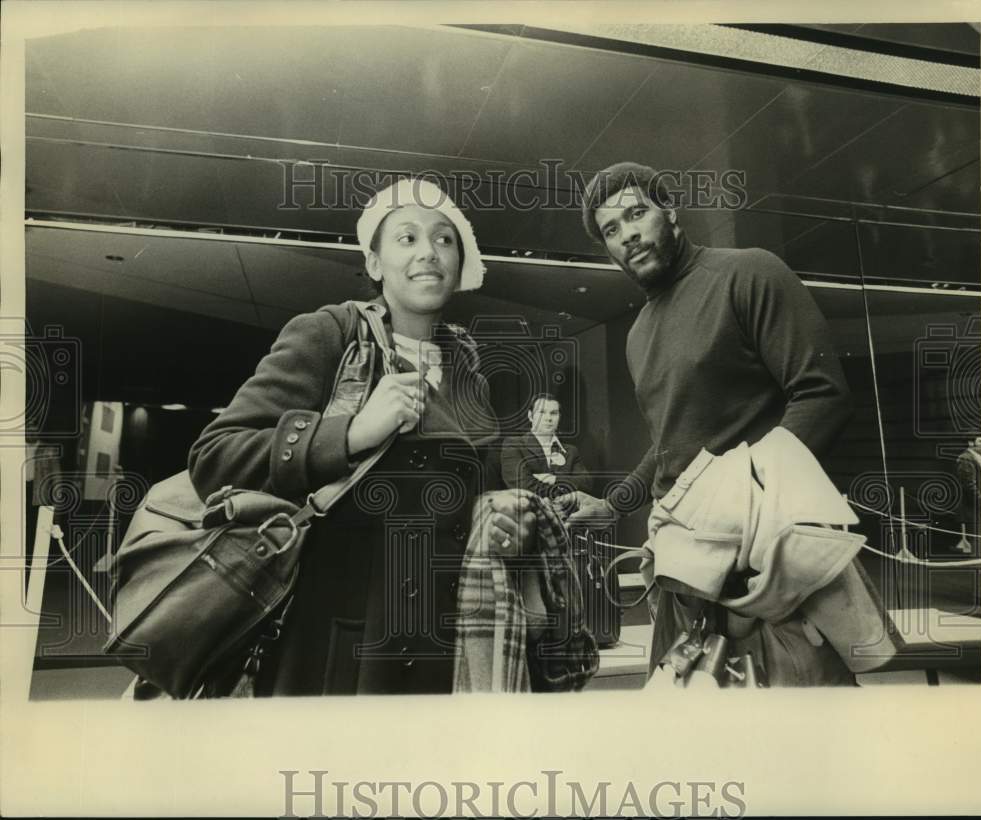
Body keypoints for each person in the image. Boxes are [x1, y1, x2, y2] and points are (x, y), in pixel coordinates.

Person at [188, 178, 535, 696]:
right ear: (374, 264)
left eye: (444, 240)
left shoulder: (469, 371)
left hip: (446, 647)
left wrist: (504, 519)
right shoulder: (333, 334)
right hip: (337, 651)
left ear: (459, 266)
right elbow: (215, 456)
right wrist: (348, 433)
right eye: (407, 238)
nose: (428, 253)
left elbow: (468, 505)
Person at [558, 162, 856, 686]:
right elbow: (669, 442)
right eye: (611, 229)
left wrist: (750, 509)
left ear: (670, 211)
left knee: (802, 738)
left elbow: (822, 393)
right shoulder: (638, 335)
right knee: (691, 738)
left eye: (637, 213)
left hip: (766, 567)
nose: (628, 233)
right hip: (683, 568)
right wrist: (614, 505)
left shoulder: (748, 273)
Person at [501, 393, 593, 499]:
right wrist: (564, 493)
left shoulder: (571, 451)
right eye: (542, 412)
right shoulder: (514, 445)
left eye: (554, 413)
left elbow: (587, 483)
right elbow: (523, 486)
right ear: (530, 416)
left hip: (569, 513)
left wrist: (555, 479)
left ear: (559, 417)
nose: (548, 418)